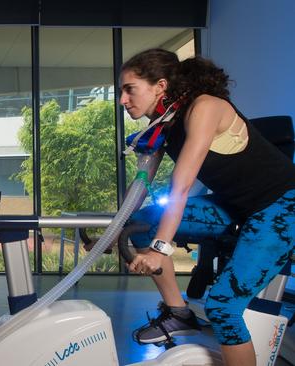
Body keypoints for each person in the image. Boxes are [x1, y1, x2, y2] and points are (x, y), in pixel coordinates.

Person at [119, 48, 295, 366]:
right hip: (236, 206)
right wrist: (113, 231)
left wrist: (160, 248)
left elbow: (181, 186)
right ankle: (178, 312)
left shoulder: (205, 106)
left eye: (129, 89)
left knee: (223, 306)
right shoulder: (165, 125)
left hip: (281, 207)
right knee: (141, 222)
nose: (123, 99)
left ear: (160, 85)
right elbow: (140, 190)